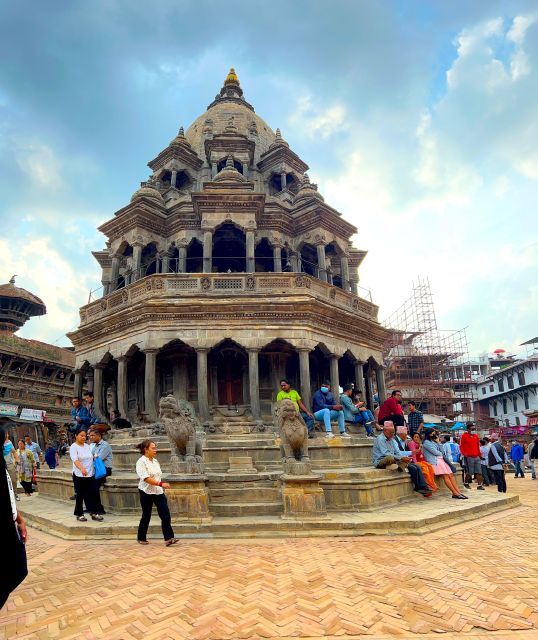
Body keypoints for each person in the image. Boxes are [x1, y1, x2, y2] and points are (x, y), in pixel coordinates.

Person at [0, 428, 28, 610]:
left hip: (10, 526)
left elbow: (8, 495)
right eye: (6, 440)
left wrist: (19, 519)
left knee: (18, 569)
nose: (7, 444)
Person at [135, 439, 178, 546]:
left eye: (155, 448)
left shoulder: (155, 461)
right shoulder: (141, 462)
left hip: (158, 492)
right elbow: (145, 478)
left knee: (165, 515)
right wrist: (161, 484)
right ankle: (141, 537)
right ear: (146, 449)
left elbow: (157, 475)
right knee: (146, 515)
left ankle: (169, 538)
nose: (155, 450)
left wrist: (159, 486)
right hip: (145, 491)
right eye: (153, 448)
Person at [422, 430, 467, 499]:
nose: (435, 435)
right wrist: (440, 452)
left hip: (440, 460)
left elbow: (442, 451)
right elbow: (436, 453)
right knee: (446, 476)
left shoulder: (433, 442)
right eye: (433, 433)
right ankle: (454, 493)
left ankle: (458, 492)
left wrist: (439, 443)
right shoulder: (426, 443)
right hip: (435, 461)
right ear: (429, 434)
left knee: (451, 475)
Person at [69, 430, 103, 522]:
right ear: (76, 436)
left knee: (92, 493)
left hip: (90, 474)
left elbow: (91, 457)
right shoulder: (73, 447)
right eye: (81, 436)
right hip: (79, 475)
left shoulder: (88, 446)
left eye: (85, 436)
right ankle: (79, 514)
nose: (84, 438)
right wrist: (81, 468)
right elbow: (75, 460)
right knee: (80, 495)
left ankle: (94, 512)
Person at [393, 425, 433, 496]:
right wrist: (412, 453)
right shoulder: (394, 441)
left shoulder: (403, 441)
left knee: (417, 467)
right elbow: (397, 453)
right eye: (405, 434)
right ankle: (418, 487)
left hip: (405, 459)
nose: (406, 436)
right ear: (400, 434)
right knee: (414, 468)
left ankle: (423, 487)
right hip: (398, 460)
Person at [89, 429, 113, 515]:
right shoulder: (95, 446)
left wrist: (95, 458)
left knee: (94, 486)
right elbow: (91, 457)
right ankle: (94, 507)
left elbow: (99, 458)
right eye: (90, 435)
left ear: (99, 436)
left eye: (92, 435)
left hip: (105, 469)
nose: (91, 437)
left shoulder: (105, 445)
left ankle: (99, 509)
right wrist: (95, 458)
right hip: (97, 469)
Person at [459, 423, 484, 490]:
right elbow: (461, 446)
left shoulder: (476, 436)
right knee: (470, 472)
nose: (474, 430)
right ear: (468, 429)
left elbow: (477, 446)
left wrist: (480, 455)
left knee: (479, 472)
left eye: (474, 429)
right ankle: (466, 483)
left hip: (477, 456)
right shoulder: (464, 436)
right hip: (469, 456)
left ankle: (479, 485)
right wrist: (464, 454)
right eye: (472, 429)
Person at [3, 432, 20, 501]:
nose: (6, 435)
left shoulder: (9, 443)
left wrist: (17, 459)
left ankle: (15, 494)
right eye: (5, 434)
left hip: (10, 464)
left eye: (7, 434)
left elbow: (14, 452)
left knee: (13, 480)